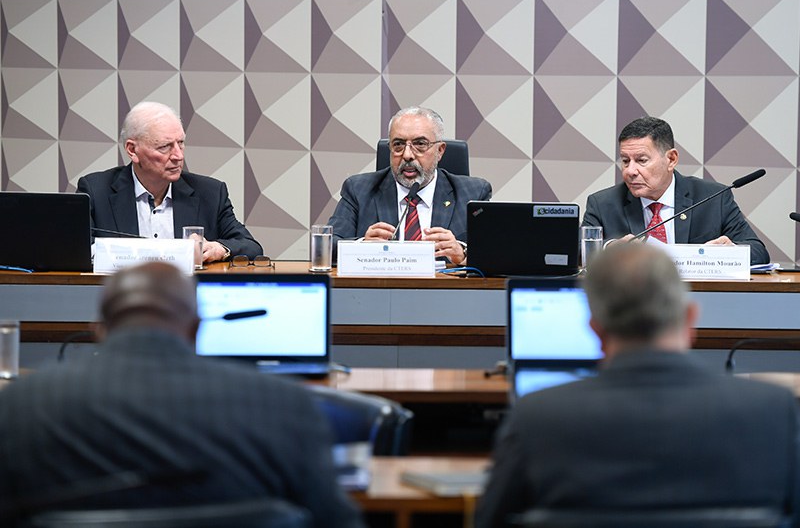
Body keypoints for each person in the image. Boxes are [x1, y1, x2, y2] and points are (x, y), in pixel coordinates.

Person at [476, 244, 800, 527]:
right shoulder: (773, 410)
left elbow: (489, 520)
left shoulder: (537, 416)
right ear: (690, 318)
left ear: (595, 328)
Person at [0, 262, 363, 527]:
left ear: (99, 331)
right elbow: (334, 520)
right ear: (196, 329)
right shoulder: (285, 406)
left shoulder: (21, 406)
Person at [77, 101, 263, 263]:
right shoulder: (96, 191)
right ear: (132, 150)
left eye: (180, 143)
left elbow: (251, 246)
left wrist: (219, 249)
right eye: (165, 147)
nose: (178, 156)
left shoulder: (210, 193)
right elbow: (76, 252)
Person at [583, 116, 770, 265]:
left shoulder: (713, 198)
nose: (630, 171)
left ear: (671, 159)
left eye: (641, 160)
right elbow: (574, 250)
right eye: (625, 161)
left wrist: (731, 252)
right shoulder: (603, 204)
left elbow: (758, 252)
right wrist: (609, 248)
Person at [328, 106, 492, 265]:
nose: (407, 155)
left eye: (420, 144)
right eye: (398, 144)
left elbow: (495, 252)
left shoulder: (472, 193)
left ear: (440, 151)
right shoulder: (359, 190)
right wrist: (362, 246)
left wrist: (463, 253)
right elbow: (327, 247)